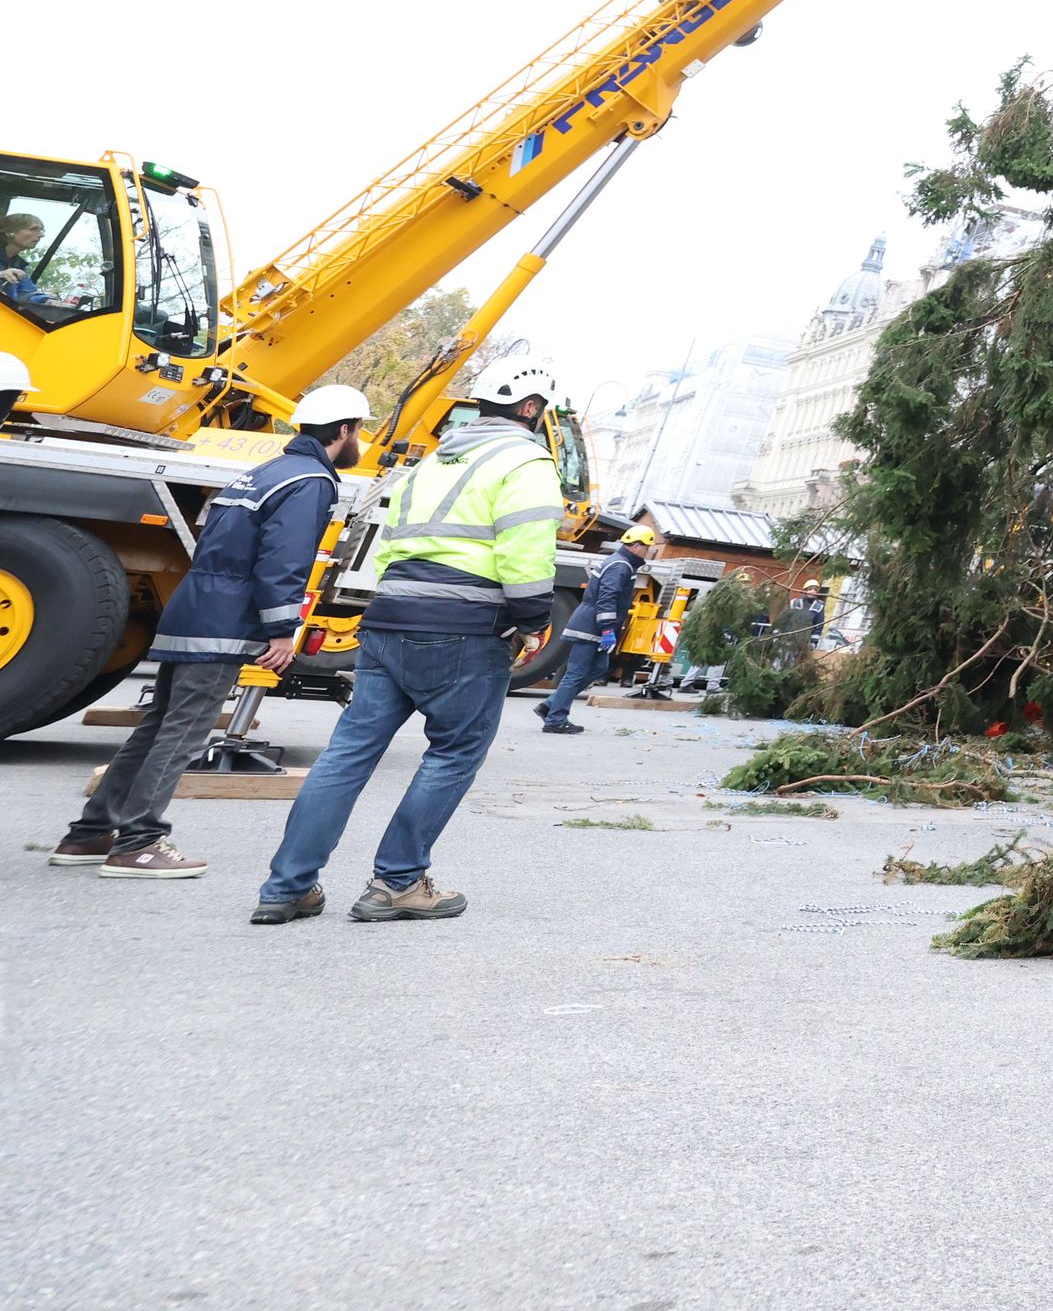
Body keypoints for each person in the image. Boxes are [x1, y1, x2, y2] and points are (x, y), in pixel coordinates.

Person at [254, 363, 565, 924]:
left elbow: (390, 543)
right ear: (530, 409)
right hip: (465, 628)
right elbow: (526, 551)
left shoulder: (432, 462)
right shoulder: (526, 461)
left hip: (388, 619)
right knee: (454, 752)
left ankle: (287, 887)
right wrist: (532, 620)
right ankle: (398, 881)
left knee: (347, 755)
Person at [54, 387, 360, 878]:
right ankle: (139, 842)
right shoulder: (311, 480)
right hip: (223, 623)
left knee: (158, 726)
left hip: (194, 609)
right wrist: (282, 630)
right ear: (345, 430)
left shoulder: (263, 473)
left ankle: (90, 833)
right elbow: (285, 559)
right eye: (357, 431)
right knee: (184, 731)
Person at [536, 525, 658, 733]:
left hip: (591, 624)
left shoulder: (621, 563)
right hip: (591, 627)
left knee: (598, 668)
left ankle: (550, 705)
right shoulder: (620, 565)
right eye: (647, 548)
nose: (649, 552)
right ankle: (555, 719)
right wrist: (608, 629)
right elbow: (607, 597)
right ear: (637, 546)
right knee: (576, 673)